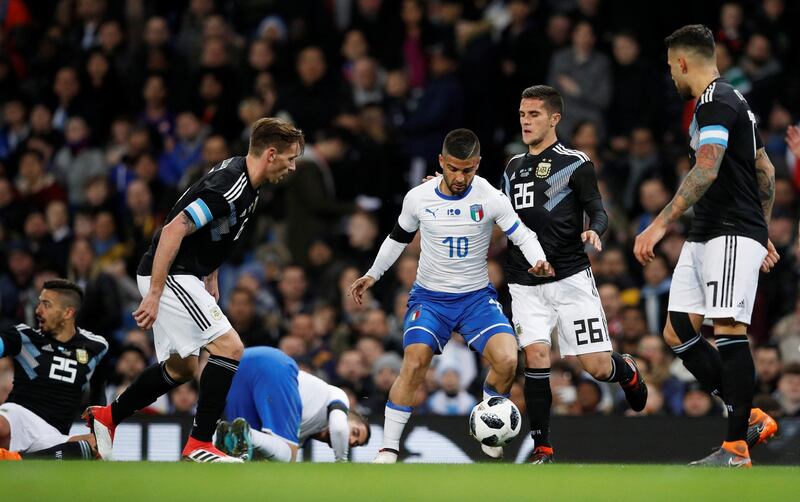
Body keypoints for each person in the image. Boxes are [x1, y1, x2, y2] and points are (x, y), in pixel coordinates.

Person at [83, 118, 304, 463]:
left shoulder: (248, 181)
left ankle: (107, 417)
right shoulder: (230, 185)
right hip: (170, 273)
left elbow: (216, 232)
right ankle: (199, 443)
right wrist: (155, 293)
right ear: (271, 154)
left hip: (183, 273)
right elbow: (173, 230)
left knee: (183, 367)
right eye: (290, 158)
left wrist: (210, 272)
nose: (293, 167)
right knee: (230, 348)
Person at [348, 128, 554, 463]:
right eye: (454, 169)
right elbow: (397, 238)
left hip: (475, 299)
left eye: (468, 169)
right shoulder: (419, 197)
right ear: (441, 162)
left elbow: (522, 233)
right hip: (430, 300)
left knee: (507, 359)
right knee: (414, 362)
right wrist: (373, 274)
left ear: (478, 164)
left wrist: (539, 259)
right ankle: (387, 448)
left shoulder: (490, 197)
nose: (460, 177)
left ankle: (489, 418)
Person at [634, 25, 780, 468]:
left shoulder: (718, 100)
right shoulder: (729, 104)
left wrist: (658, 225)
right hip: (712, 232)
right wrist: (764, 230)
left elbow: (708, 168)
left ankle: (735, 449)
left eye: (670, 67)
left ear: (682, 62)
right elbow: (766, 170)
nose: (670, 77)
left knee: (728, 329)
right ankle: (748, 415)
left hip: (728, 231)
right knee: (677, 330)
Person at [502, 85, 647, 464]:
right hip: (524, 281)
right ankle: (543, 449)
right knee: (535, 356)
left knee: (597, 368)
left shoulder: (575, 162)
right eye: (522, 114)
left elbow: (599, 210)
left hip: (569, 278)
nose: (526, 122)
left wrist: (595, 229)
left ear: (554, 119)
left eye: (534, 115)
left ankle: (626, 369)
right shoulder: (512, 168)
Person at [0, 279, 108, 461]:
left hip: (54, 433)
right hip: (18, 418)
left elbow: (99, 395)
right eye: (39, 303)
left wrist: (99, 429)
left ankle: (18, 459)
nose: (38, 311)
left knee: (97, 446)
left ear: (68, 312)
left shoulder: (96, 347)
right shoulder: (24, 336)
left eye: (46, 305)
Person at [216, 346, 370, 462]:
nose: (350, 440)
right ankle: (245, 433)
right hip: (275, 364)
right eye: (355, 432)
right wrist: (342, 463)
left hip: (242, 366)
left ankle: (219, 437)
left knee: (241, 451)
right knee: (290, 454)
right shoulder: (338, 396)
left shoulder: (300, 435)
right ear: (349, 415)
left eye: (353, 444)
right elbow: (338, 428)